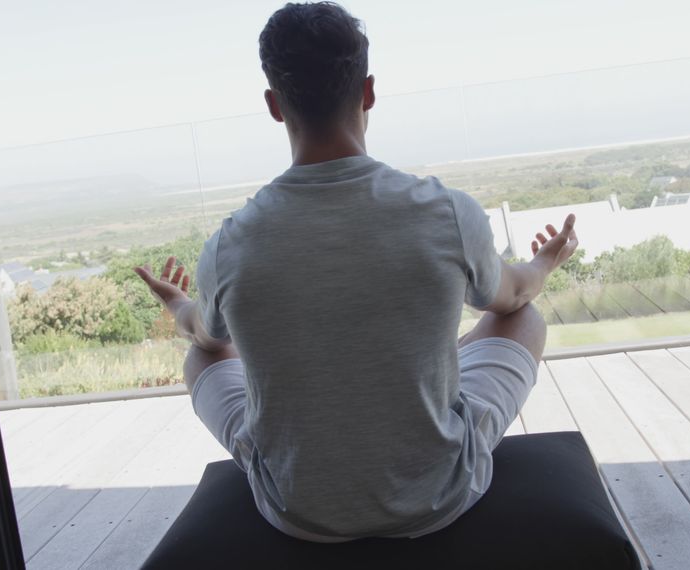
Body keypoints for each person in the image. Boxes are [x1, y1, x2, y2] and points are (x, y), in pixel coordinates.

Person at [135, 1, 578, 543]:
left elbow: (202, 332)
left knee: (202, 354)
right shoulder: (445, 211)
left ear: (275, 105)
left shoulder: (231, 243)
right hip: (441, 492)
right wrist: (547, 259)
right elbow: (513, 296)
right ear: (367, 92)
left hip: (294, 507)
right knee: (525, 319)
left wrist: (178, 304)